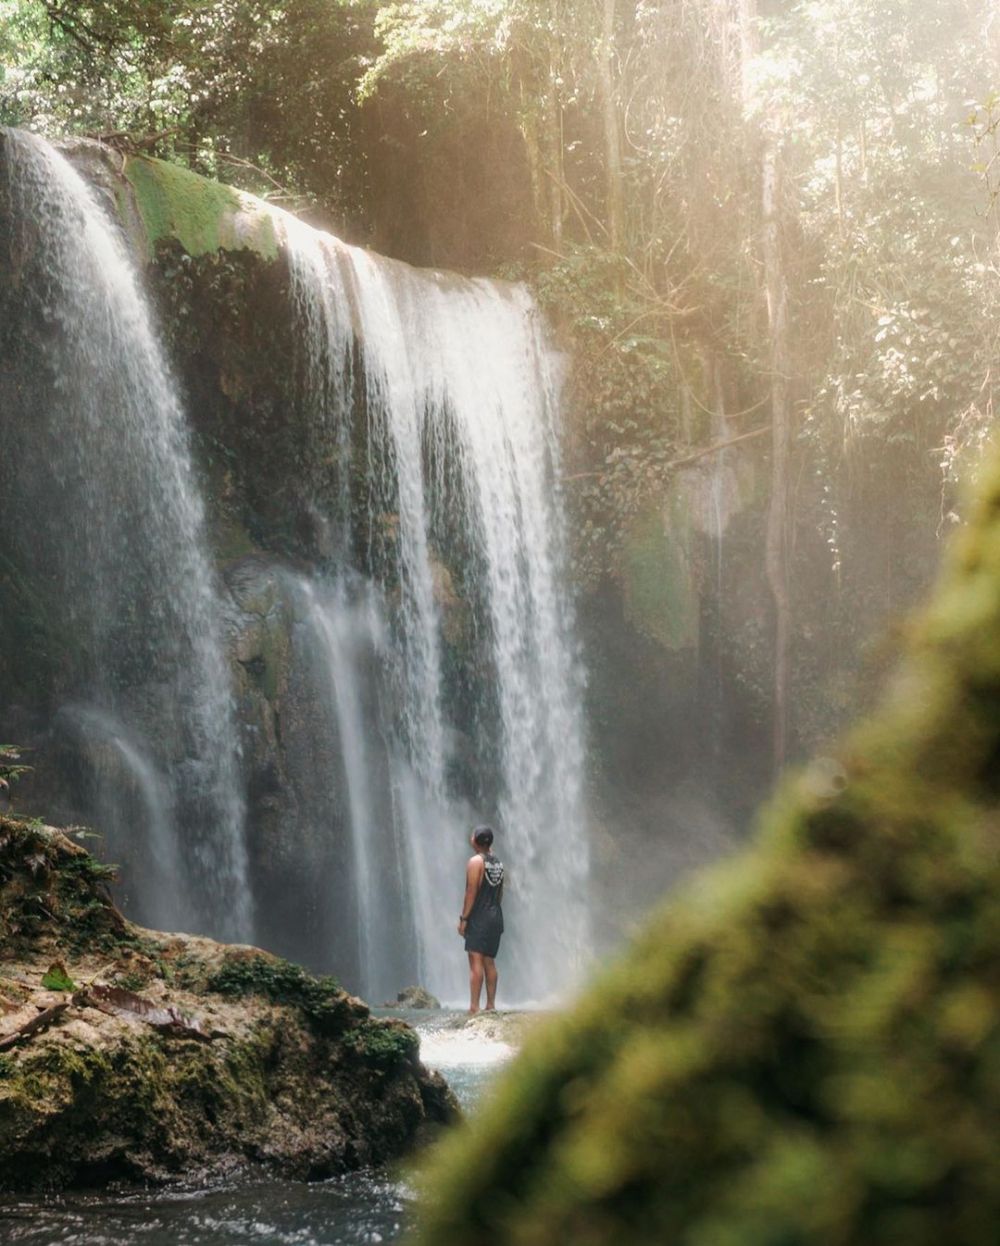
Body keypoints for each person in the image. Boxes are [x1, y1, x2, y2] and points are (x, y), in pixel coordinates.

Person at [457, 825, 504, 1014]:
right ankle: (490, 1005)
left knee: (475, 961)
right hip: (495, 915)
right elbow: (501, 891)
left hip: (480, 917)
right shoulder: (497, 862)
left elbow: (471, 891)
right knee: (489, 962)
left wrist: (464, 919)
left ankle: (474, 1007)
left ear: (475, 840)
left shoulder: (475, 862)